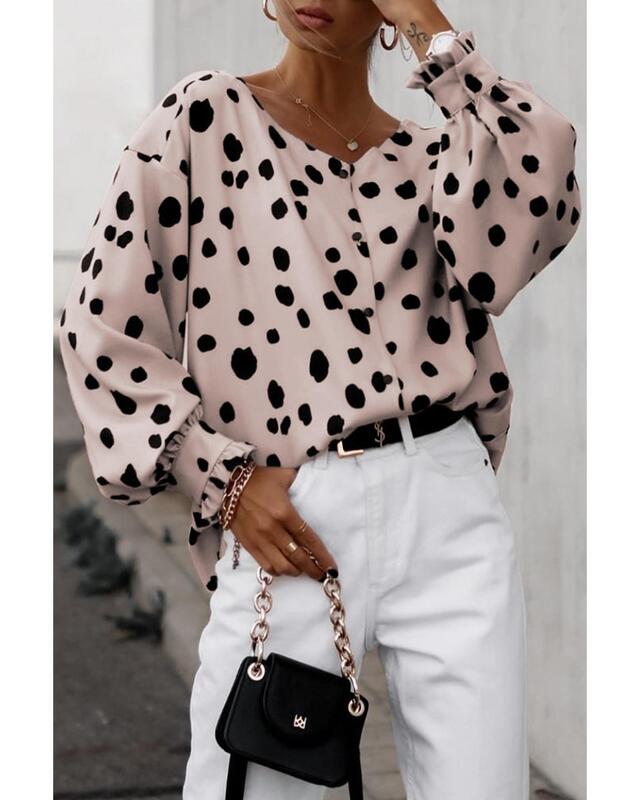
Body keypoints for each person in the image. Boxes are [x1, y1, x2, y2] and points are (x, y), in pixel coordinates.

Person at [59, 0, 581, 797]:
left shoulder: (436, 158)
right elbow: (101, 325)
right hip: (291, 513)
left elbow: (539, 181)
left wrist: (427, 26)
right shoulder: (205, 117)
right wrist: (221, 477)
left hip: (449, 503)